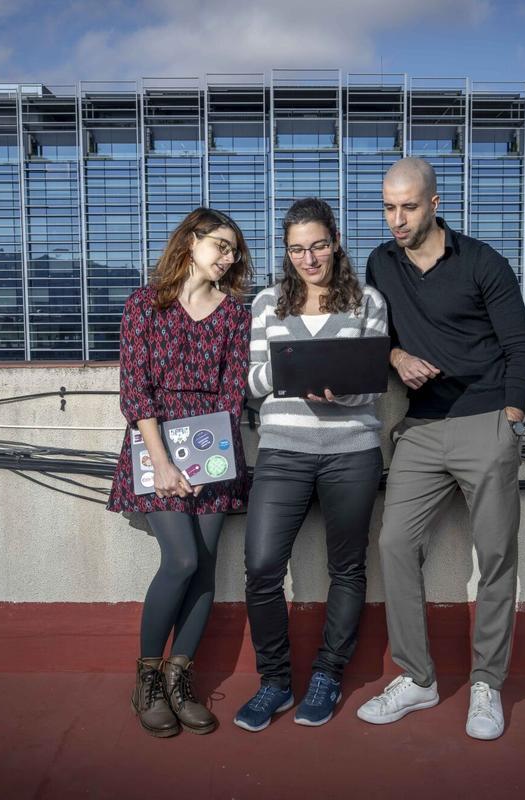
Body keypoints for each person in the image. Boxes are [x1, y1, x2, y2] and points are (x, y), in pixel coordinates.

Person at [356, 157, 525, 741]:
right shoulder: (380, 264)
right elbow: (377, 336)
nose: (397, 219)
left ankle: (486, 683)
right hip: (422, 426)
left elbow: (521, 348)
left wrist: (510, 419)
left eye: (408, 206)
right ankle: (418, 678)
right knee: (394, 543)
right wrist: (395, 358)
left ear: (435, 203)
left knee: (495, 555)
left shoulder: (482, 262)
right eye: (388, 207)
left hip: (486, 418)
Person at [233, 198, 388, 731]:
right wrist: (287, 374)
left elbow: (371, 384)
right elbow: (249, 385)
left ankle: (328, 673)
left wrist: (336, 393)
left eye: (318, 244)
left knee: (347, 568)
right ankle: (274, 682)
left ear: (336, 241)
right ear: (286, 250)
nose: (309, 257)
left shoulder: (367, 301)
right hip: (283, 450)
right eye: (297, 248)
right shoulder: (267, 304)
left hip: (351, 452)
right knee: (260, 568)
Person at [107, 207, 252, 738]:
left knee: (207, 564)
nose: (228, 257)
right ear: (191, 242)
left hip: (213, 447)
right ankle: (146, 677)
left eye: (234, 250)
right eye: (221, 244)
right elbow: (135, 391)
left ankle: (180, 678)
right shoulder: (145, 304)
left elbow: (233, 393)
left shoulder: (236, 314)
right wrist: (165, 461)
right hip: (154, 443)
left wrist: (203, 459)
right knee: (182, 557)